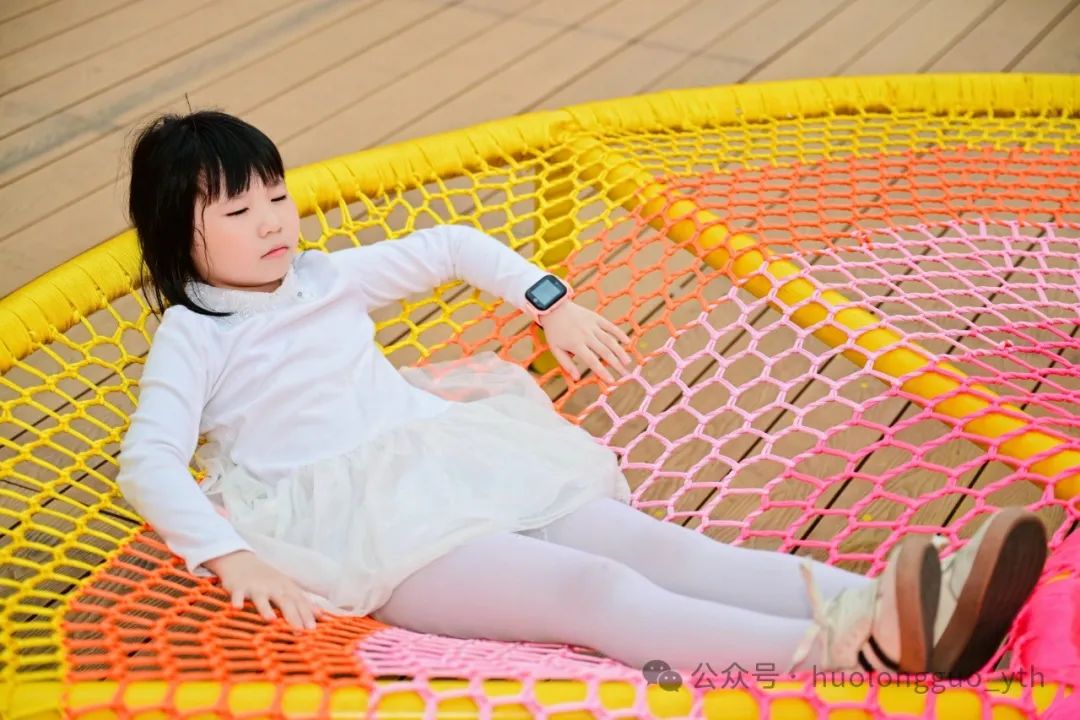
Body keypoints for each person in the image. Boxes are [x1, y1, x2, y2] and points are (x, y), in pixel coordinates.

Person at [116, 110, 1048, 680]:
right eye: (237, 210)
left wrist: (550, 301)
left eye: (276, 195)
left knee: (659, 546)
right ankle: (860, 648)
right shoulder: (194, 338)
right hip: (367, 531)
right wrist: (230, 556)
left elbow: (451, 245)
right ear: (177, 234)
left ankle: (909, 604)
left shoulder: (325, 277)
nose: (273, 222)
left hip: (452, 460)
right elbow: (148, 461)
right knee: (595, 591)